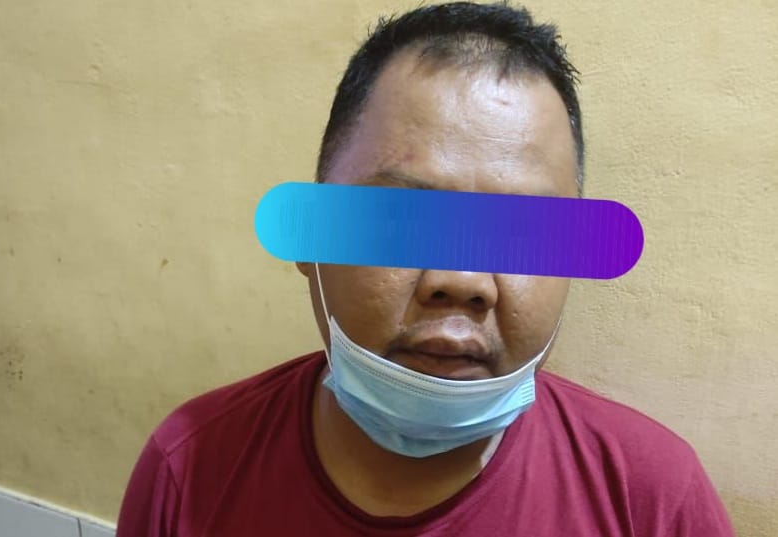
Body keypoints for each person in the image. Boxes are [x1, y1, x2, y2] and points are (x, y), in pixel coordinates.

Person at [116, 2, 736, 535]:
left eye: (522, 234)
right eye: (402, 220)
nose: (462, 281)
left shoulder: (654, 500)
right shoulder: (189, 468)